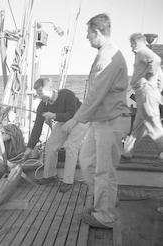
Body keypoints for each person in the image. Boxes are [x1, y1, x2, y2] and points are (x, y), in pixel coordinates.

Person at [62, 13, 131, 228]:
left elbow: (96, 94)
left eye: (88, 34)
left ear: (97, 32)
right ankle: (104, 200)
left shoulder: (107, 56)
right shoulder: (105, 53)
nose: (87, 38)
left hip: (111, 122)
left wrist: (75, 119)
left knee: (104, 170)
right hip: (101, 121)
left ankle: (105, 216)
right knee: (87, 160)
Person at [23, 77, 89, 192]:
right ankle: (50, 176)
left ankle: (68, 181)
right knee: (50, 144)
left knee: (71, 147)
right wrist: (29, 148)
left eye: (41, 93)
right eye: (38, 94)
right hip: (63, 120)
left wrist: (54, 116)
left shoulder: (67, 94)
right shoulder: (42, 105)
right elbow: (37, 127)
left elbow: (72, 114)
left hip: (80, 119)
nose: (39, 97)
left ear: (50, 90)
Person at [121, 33, 163, 161]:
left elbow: (156, 60)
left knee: (153, 125)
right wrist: (155, 90)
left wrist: (148, 83)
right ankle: (127, 153)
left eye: (132, 45)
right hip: (144, 95)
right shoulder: (145, 57)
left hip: (145, 94)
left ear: (136, 43)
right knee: (138, 127)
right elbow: (160, 80)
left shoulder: (143, 52)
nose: (131, 48)